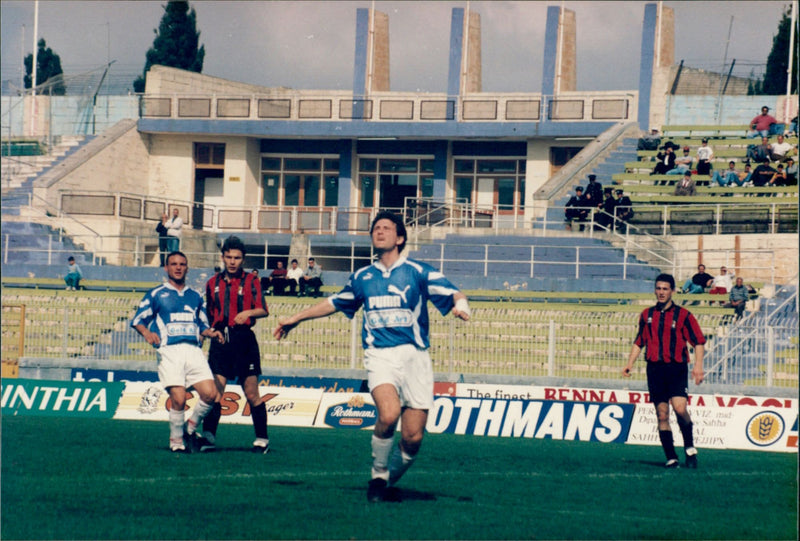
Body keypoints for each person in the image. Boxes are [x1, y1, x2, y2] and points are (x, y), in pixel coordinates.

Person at [273, 211, 471, 502]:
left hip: (415, 358)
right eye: (375, 228)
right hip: (379, 355)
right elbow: (332, 302)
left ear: (399, 238)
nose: (379, 232)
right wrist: (296, 318)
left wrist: (462, 305)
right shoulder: (363, 277)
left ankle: (386, 481)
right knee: (389, 414)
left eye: (386, 228)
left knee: (413, 438)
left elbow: (454, 293)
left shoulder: (418, 271)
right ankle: (378, 476)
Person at [130, 251, 223, 453]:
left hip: (193, 351)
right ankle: (177, 441)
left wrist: (211, 333)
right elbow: (138, 320)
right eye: (173, 264)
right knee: (179, 398)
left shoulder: (196, 296)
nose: (178, 267)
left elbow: (202, 325)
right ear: (166, 268)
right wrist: (147, 333)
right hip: (170, 352)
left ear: (187, 268)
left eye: (182, 264)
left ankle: (190, 427)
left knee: (211, 394)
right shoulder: (156, 294)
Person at [622, 273, 705, 469]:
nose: (661, 292)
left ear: (673, 291)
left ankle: (690, 448)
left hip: (676, 368)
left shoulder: (684, 315)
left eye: (665, 289)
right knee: (662, 414)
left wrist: (698, 366)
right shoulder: (646, 315)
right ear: (654, 290)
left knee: (680, 409)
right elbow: (639, 341)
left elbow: (698, 342)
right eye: (658, 288)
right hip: (655, 369)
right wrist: (629, 363)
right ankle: (671, 457)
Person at [199, 236, 271, 454]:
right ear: (223, 257)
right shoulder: (212, 283)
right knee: (215, 393)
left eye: (237, 258)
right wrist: (209, 332)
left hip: (243, 341)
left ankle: (261, 439)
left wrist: (248, 312)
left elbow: (264, 310)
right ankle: (209, 437)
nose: (232, 261)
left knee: (251, 394)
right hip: (220, 342)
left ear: (243, 259)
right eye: (229, 257)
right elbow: (209, 315)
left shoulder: (252, 281)